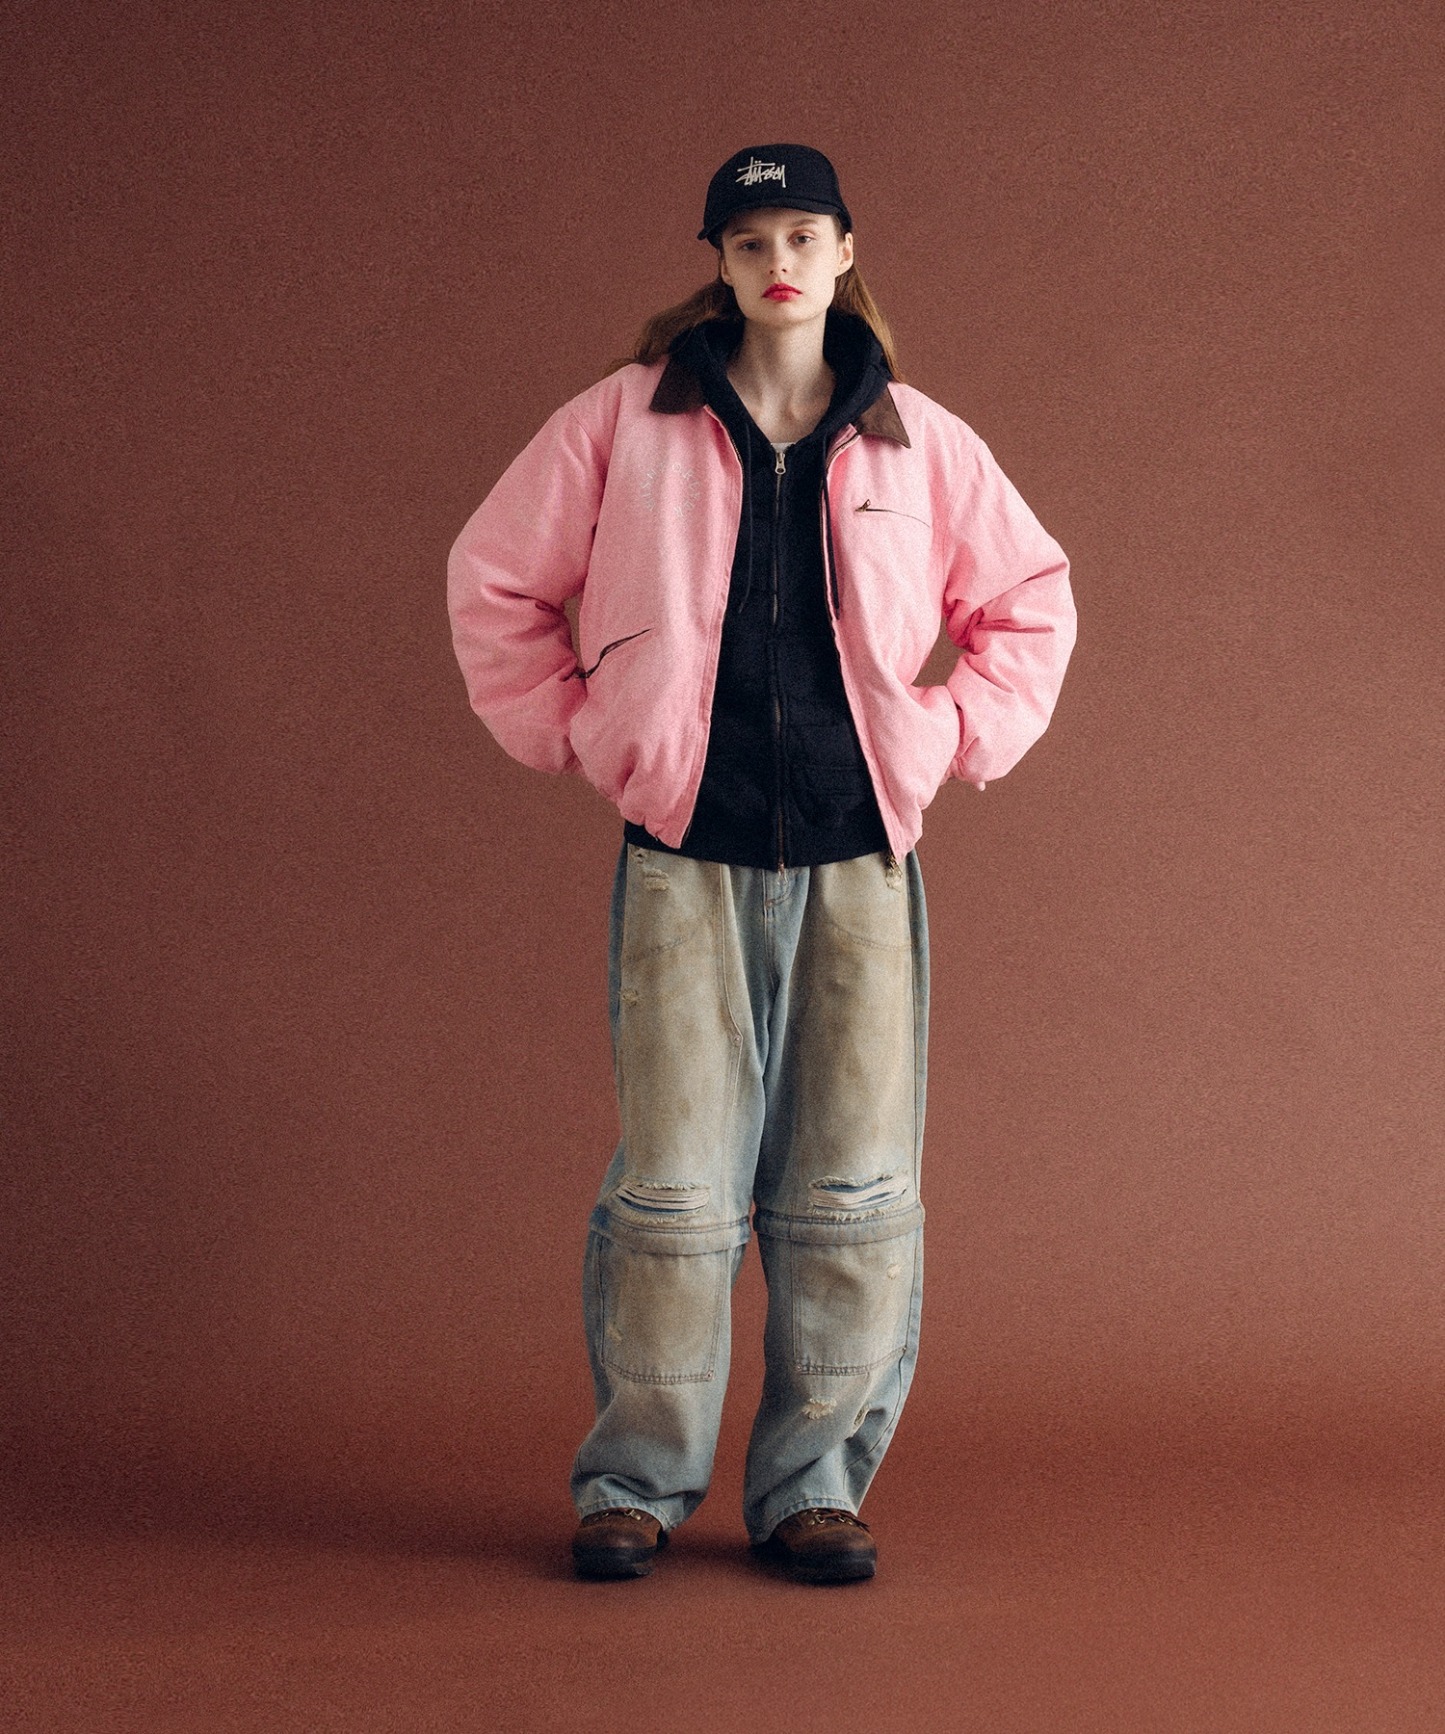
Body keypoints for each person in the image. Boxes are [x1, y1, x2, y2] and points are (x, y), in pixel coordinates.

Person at [447, 144, 1076, 1585]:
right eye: (749, 241)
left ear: (846, 250)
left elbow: (1029, 601)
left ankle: (813, 1489)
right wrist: (587, 733)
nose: (778, 262)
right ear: (719, 264)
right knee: (673, 1188)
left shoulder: (917, 438)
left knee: (851, 1185)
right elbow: (496, 578)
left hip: (859, 857)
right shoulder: (625, 420)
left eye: (802, 234)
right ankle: (634, 1484)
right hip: (685, 848)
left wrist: (942, 736)